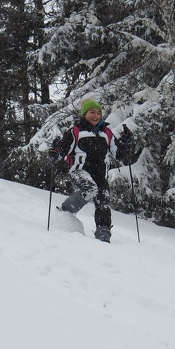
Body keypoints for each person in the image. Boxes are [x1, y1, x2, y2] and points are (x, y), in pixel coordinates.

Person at [48, 98, 132, 243]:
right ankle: (66, 210)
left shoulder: (107, 133)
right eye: (92, 112)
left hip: (100, 173)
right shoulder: (76, 131)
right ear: (85, 114)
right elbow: (62, 149)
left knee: (103, 199)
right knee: (90, 189)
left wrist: (125, 142)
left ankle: (103, 234)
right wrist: (55, 152)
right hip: (80, 171)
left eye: (98, 113)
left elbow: (118, 154)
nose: (96, 115)